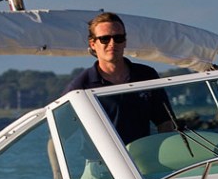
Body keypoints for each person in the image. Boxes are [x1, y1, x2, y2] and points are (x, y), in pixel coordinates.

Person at [62, 11, 175, 144]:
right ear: (93, 44)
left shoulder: (146, 75)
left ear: (125, 42)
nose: (112, 43)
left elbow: (165, 122)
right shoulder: (81, 87)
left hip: (143, 157)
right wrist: (55, 165)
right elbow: (58, 136)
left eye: (118, 38)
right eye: (105, 39)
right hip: (99, 163)